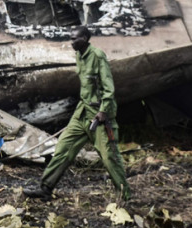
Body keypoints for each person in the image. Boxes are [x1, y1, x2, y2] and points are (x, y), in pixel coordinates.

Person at [23, 26, 130, 201]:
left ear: (86, 38)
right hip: (82, 113)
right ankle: (46, 188)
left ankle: (124, 197)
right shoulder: (79, 56)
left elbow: (108, 87)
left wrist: (104, 111)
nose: (72, 42)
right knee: (63, 148)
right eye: (71, 39)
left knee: (110, 157)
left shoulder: (97, 56)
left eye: (76, 39)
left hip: (99, 116)